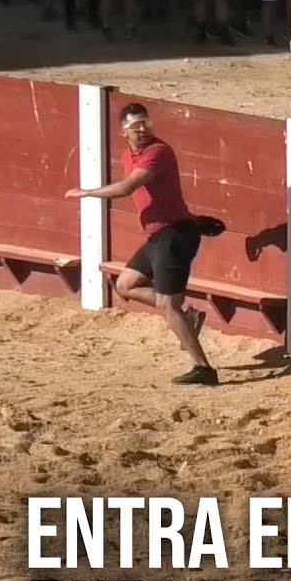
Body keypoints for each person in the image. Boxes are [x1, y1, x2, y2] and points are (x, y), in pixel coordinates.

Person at [63, 103, 217, 386]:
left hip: (174, 235)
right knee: (125, 285)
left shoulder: (158, 151)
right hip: (160, 235)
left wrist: (86, 193)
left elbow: (127, 188)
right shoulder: (128, 155)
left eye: (146, 123)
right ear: (124, 131)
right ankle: (188, 316)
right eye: (136, 126)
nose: (143, 130)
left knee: (168, 304)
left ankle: (203, 368)